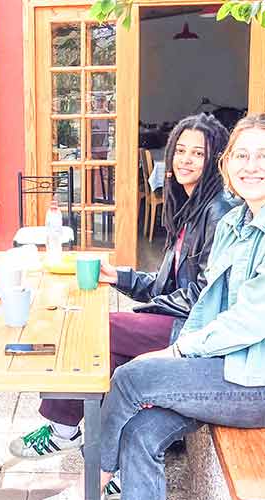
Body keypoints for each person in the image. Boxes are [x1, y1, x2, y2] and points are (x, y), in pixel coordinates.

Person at [47, 112, 265, 500]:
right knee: (139, 430)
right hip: (222, 365)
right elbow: (209, 305)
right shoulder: (235, 223)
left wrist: (177, 351)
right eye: (242, 155)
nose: (251, 166)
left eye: (262, 156)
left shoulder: (226, 216)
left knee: (130, 377)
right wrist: (179, 353)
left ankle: (91, 484)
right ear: (228, 162)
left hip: (253, 380)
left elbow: (250, 319)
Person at [10, 113, 237, 464]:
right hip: (181, 319)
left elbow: (205, 298)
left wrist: (148, 311)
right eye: (180, 150)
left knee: (98, 328)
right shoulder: (189, 206)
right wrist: (119, 277)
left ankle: (63, 431)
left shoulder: (218, 211)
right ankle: (96, 449)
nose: (186, 160)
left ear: (216, 160)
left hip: (197, 330)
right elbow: (169, 283)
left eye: (198, 153)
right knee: (109, 357)